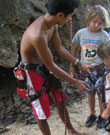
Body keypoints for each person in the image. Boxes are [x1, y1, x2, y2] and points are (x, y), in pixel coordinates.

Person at [18, 0, 91, 135]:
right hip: (32, 73)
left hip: (43, 68)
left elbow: (60, 48)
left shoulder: (52, 26)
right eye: (70, 16)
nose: (70, 19)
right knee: (41, 112)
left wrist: (78, 63)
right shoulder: (38, 34)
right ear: (60, 15)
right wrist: (75, 82)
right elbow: (50, 65)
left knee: (59, 98)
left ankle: (71, 131)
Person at [69, 5, 110, 127]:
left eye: (100, 23)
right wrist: (72, 66)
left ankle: (102, 115)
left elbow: (108, 53)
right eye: (94, 22)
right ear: (88, 19)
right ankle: (92, 114)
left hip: (101, 69)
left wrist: (109, 69)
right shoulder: (80, 33)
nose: (96, 25)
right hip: (86, 69)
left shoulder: (104, 36)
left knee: (101, 93)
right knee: (90, 92)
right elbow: (74, 51)